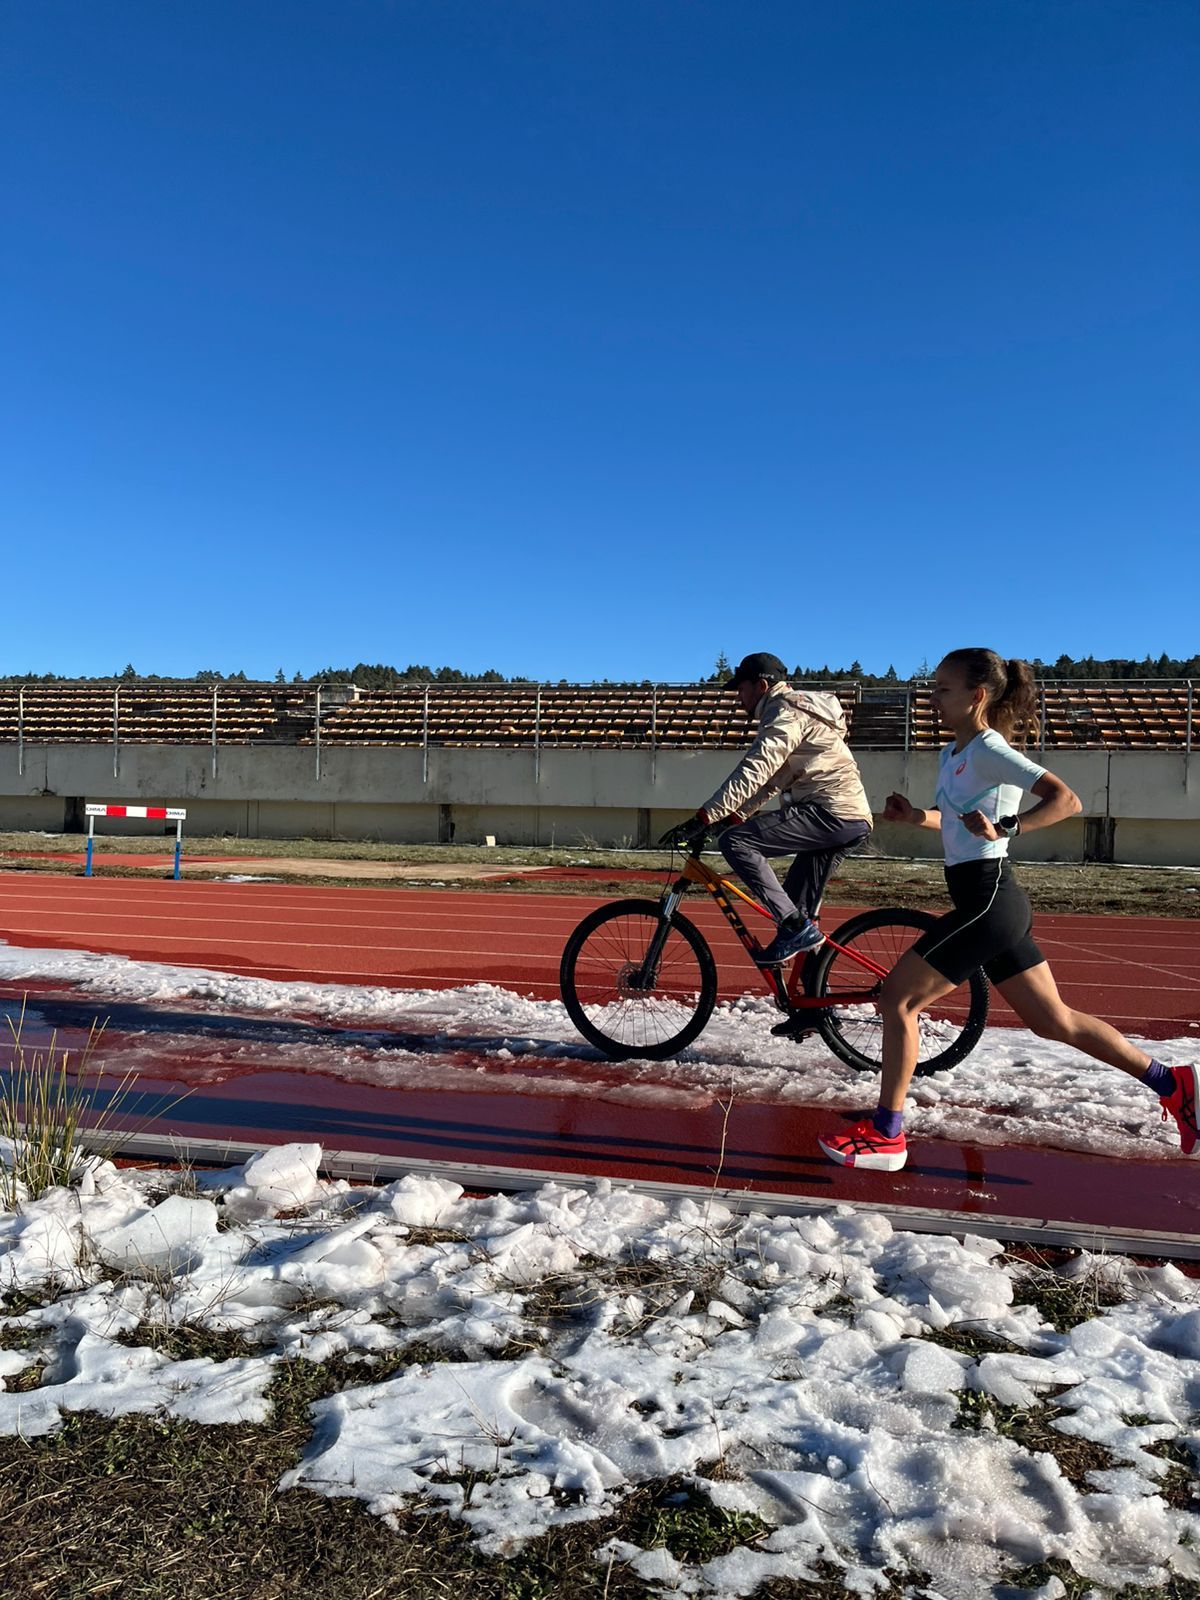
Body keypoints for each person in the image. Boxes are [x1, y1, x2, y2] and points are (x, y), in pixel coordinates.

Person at [816, 647, 1197, 1172]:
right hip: (990, 904)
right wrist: (916, 816)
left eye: (943, 689)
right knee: (1054, 1021)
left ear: (976, 696)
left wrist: (1008, 828)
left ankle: (887, 1135)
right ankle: (1172, 1083)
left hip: (990, 901)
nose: (932, 698)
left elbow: (1065, 800)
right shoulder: (954, 754)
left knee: (898, 998)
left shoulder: (990, 749)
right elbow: (956, 818)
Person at [660, 652, 874, 971]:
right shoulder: (803, 711)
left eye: (741, 689)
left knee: (737, 843)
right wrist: (732, 817)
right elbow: (775, 779)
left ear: (761, 686)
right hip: (850, 817)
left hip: (829, 811)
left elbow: (758, 768)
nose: (738, 697)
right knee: (796, 909)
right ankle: (812, 994)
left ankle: (795, 929)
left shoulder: (784, 710)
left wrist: (704, 817)